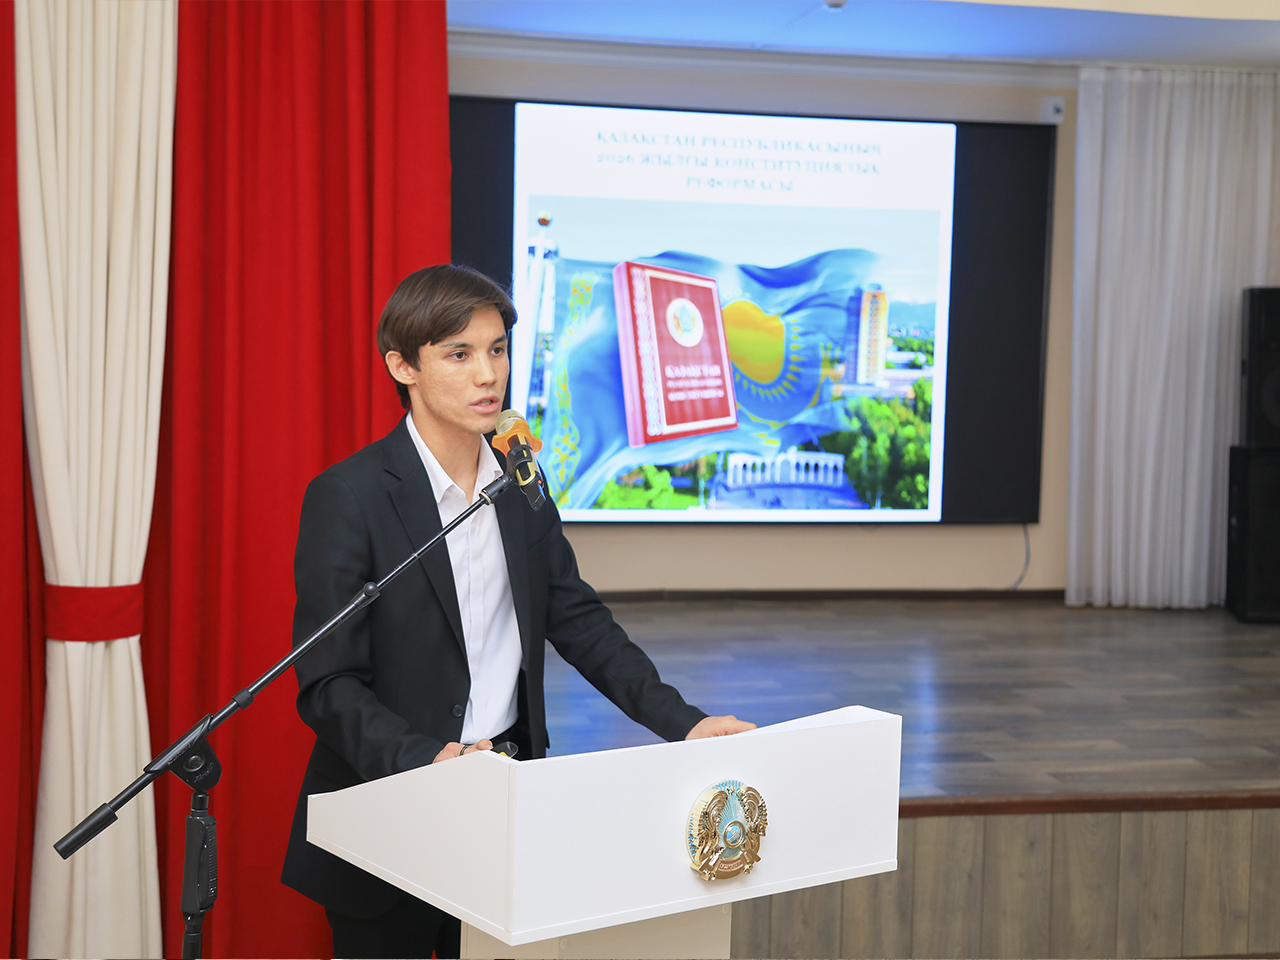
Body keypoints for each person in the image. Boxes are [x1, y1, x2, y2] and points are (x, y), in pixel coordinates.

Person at [280, 264, 755, 959]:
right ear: (403, 366)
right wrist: (428, 759)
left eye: (497, 349)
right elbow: (328, 683)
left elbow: (579, 621)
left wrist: (684, 723)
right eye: (459, 354)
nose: (488, 376)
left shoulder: (519, 477)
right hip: (391, 802)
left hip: (505, 796)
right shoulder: (349, 496)